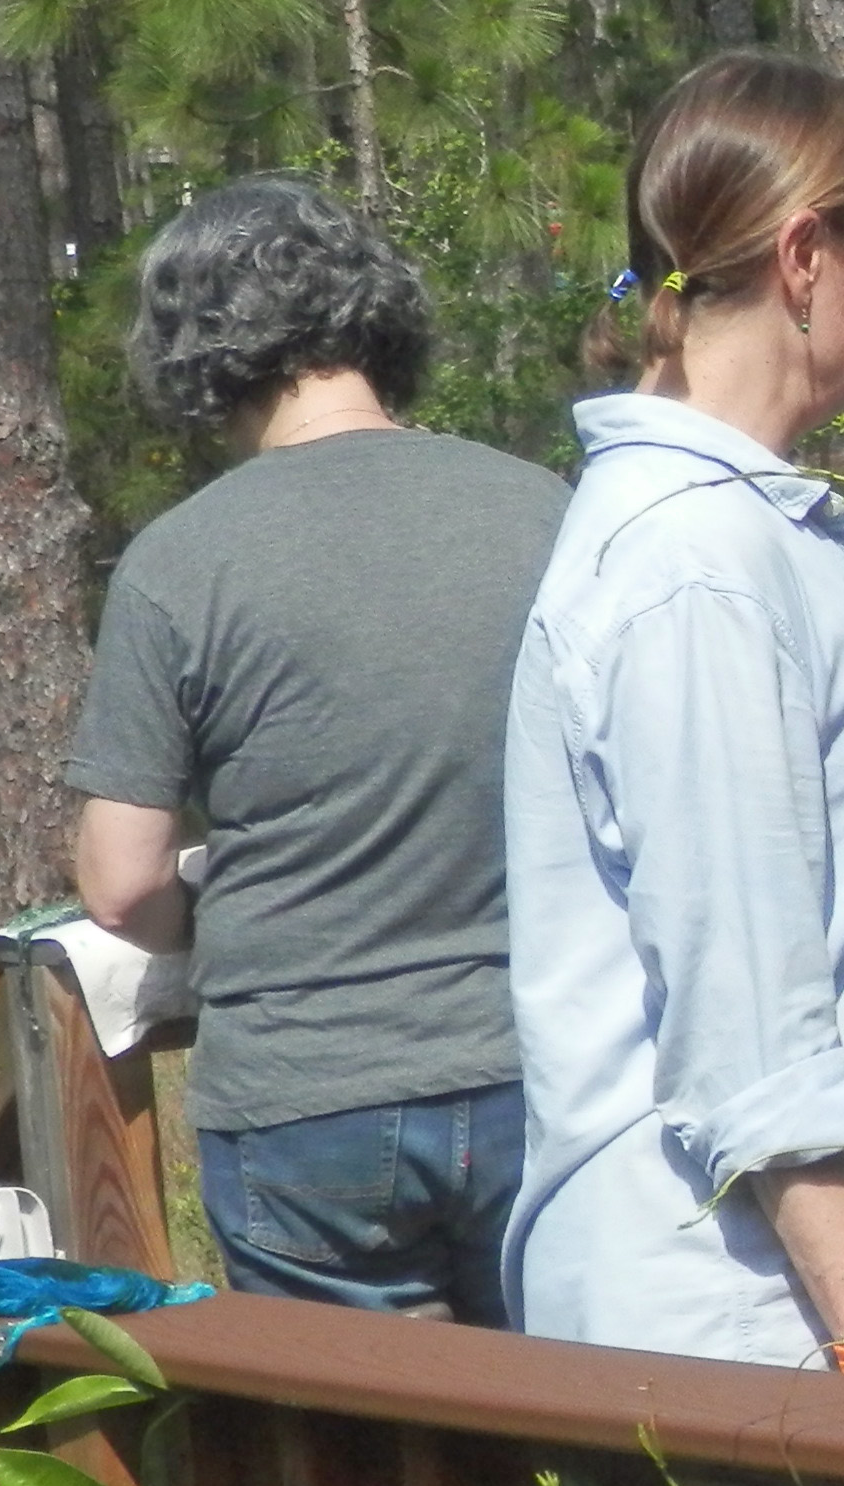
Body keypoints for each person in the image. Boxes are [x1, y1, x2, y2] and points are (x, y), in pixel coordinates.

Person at [503, 48, 844, 1380]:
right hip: (754, 1345)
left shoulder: (730, 539)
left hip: (781, 1328)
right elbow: (748, 1029)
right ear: (806, 258)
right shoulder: (696, 571)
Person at [67, 175, 567, 1321]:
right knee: (576, 1418)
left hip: (308, 1098)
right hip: (543, 1068)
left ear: (190, 346)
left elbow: (121, 883)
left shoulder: (178, 562)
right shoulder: (541, 509)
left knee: (359, 1436)